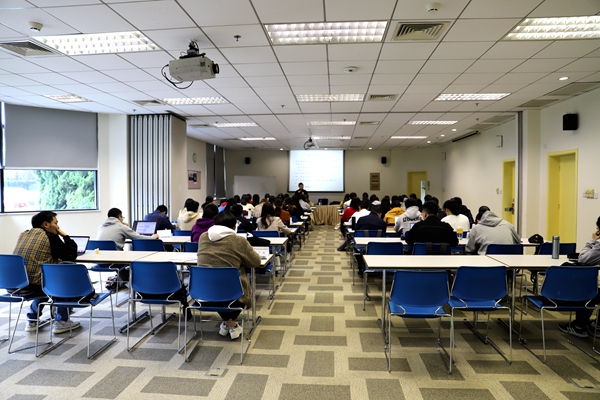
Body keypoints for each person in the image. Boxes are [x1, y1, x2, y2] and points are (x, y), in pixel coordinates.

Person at [12, 211, 81, 334]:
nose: (58, 227)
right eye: (56, 223)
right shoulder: (50, 237)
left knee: (42, 280)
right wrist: (65, 236)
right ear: (46, 224)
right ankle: (62, 321)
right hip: (35, 285)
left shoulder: (24, 234)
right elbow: (70, 256)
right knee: (62, 277)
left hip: (15, 285)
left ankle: (32, 319)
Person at [196, 211, 261, 339]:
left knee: (217, 284)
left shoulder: (203, 237)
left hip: (204, 291)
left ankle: (228, 324)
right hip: (232, 293)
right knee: (231, 285)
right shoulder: (239, 241)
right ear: (234, 226)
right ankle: (231, 324)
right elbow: (256, 262)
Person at [558, 216, 600, 338]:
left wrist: (592, 240)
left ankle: (579, 327)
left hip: (556, 296)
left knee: (586, 290)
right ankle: (596, 326)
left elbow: (583, 259)